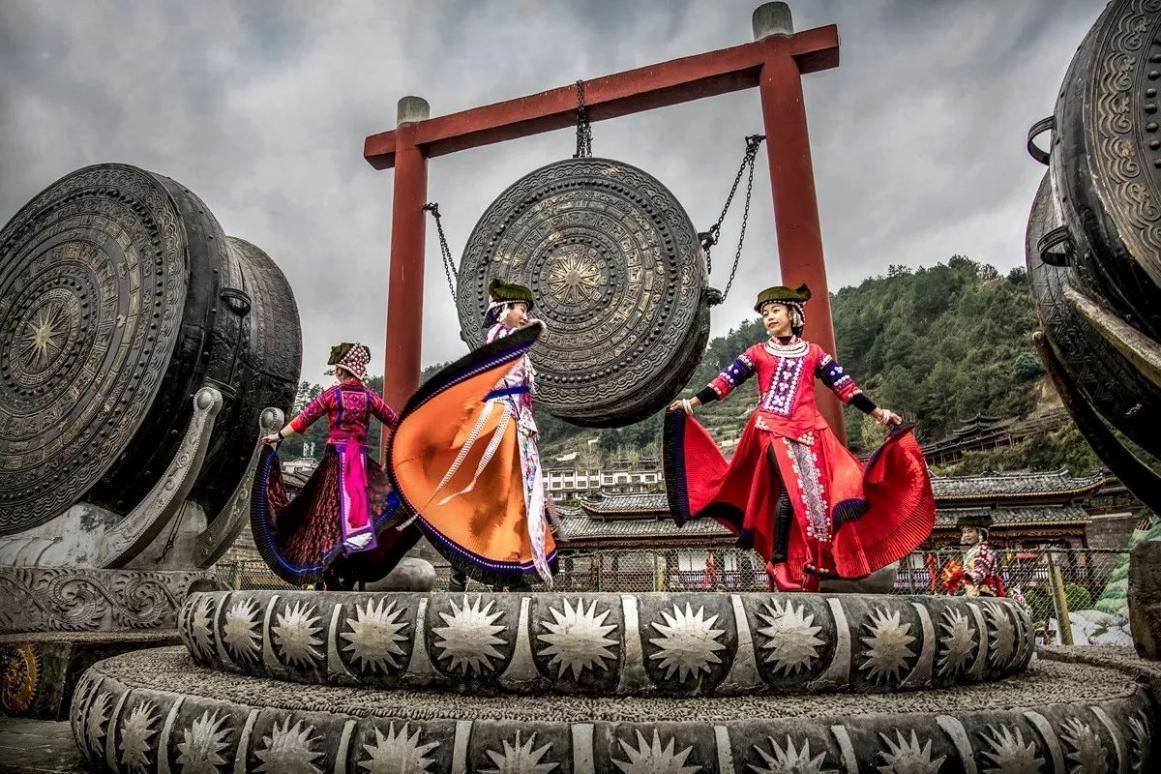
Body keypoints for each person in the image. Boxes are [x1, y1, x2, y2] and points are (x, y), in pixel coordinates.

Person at [664, 284, 936, 592]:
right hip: (771, 427)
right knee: (789, 491)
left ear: (793, 315)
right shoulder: (757, 353)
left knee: (829, 492)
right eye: (765, 314)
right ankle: (778, 561)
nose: (769, 318)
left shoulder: (814, 354)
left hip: (810, 430)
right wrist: (691, 404)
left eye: (775, 311)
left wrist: (880, 414)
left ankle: (819, 560)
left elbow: (845, 388)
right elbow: (726, 382)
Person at [389, 279, 556, 590]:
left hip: (518, 423)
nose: (524, 314)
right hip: (499, 423)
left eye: (525, 310)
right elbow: (508, 347)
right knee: (494, 496)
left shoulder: (512, 339)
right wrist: (531, 332)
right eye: (521, 308)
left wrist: (529, 331)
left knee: (509, 499)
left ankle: (504, 569)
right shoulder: (500, 337)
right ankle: (473, 569)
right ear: (504, 310)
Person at [250, 343, 418, 588]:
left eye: (337, 370)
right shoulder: (370, 397)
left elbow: (304, 419)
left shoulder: (333, 395)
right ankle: (352, 555)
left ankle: (326, 566)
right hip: (358, 463)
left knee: (322, 517)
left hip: (335, 461)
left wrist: (277, 437)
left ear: (342, 370)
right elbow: (396, 422)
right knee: (363, 512)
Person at [956, 514, 1006, 597]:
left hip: (984, 593)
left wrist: (965, 576)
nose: (966, 535)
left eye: (970, 531)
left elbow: (981, 571)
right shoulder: (971, 551)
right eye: (964, 532)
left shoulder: (985, 550)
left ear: (980, 533)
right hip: (970, 590)